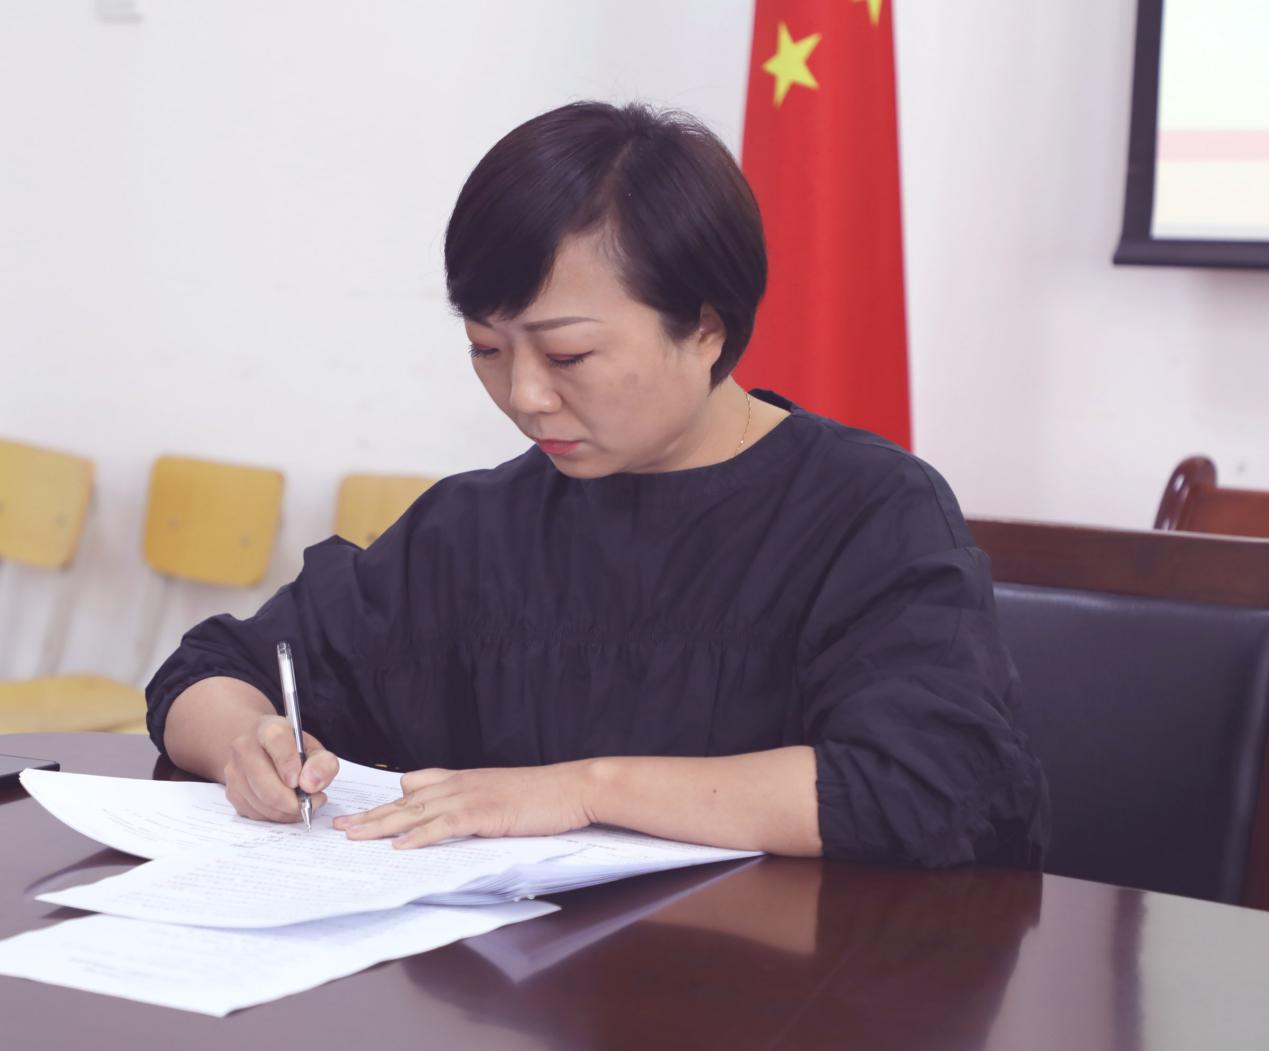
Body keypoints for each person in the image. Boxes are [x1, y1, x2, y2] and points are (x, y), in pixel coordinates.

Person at [146, 101, 1049, 867]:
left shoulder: (869, 511)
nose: (524, 396)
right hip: (517, 982)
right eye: (486, 349)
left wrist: (582, 790)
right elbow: (210, 670)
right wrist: (246, 745)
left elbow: (926, 784)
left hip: (793, 988)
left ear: (704, 327)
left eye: (568, 353)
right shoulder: (476, 527)